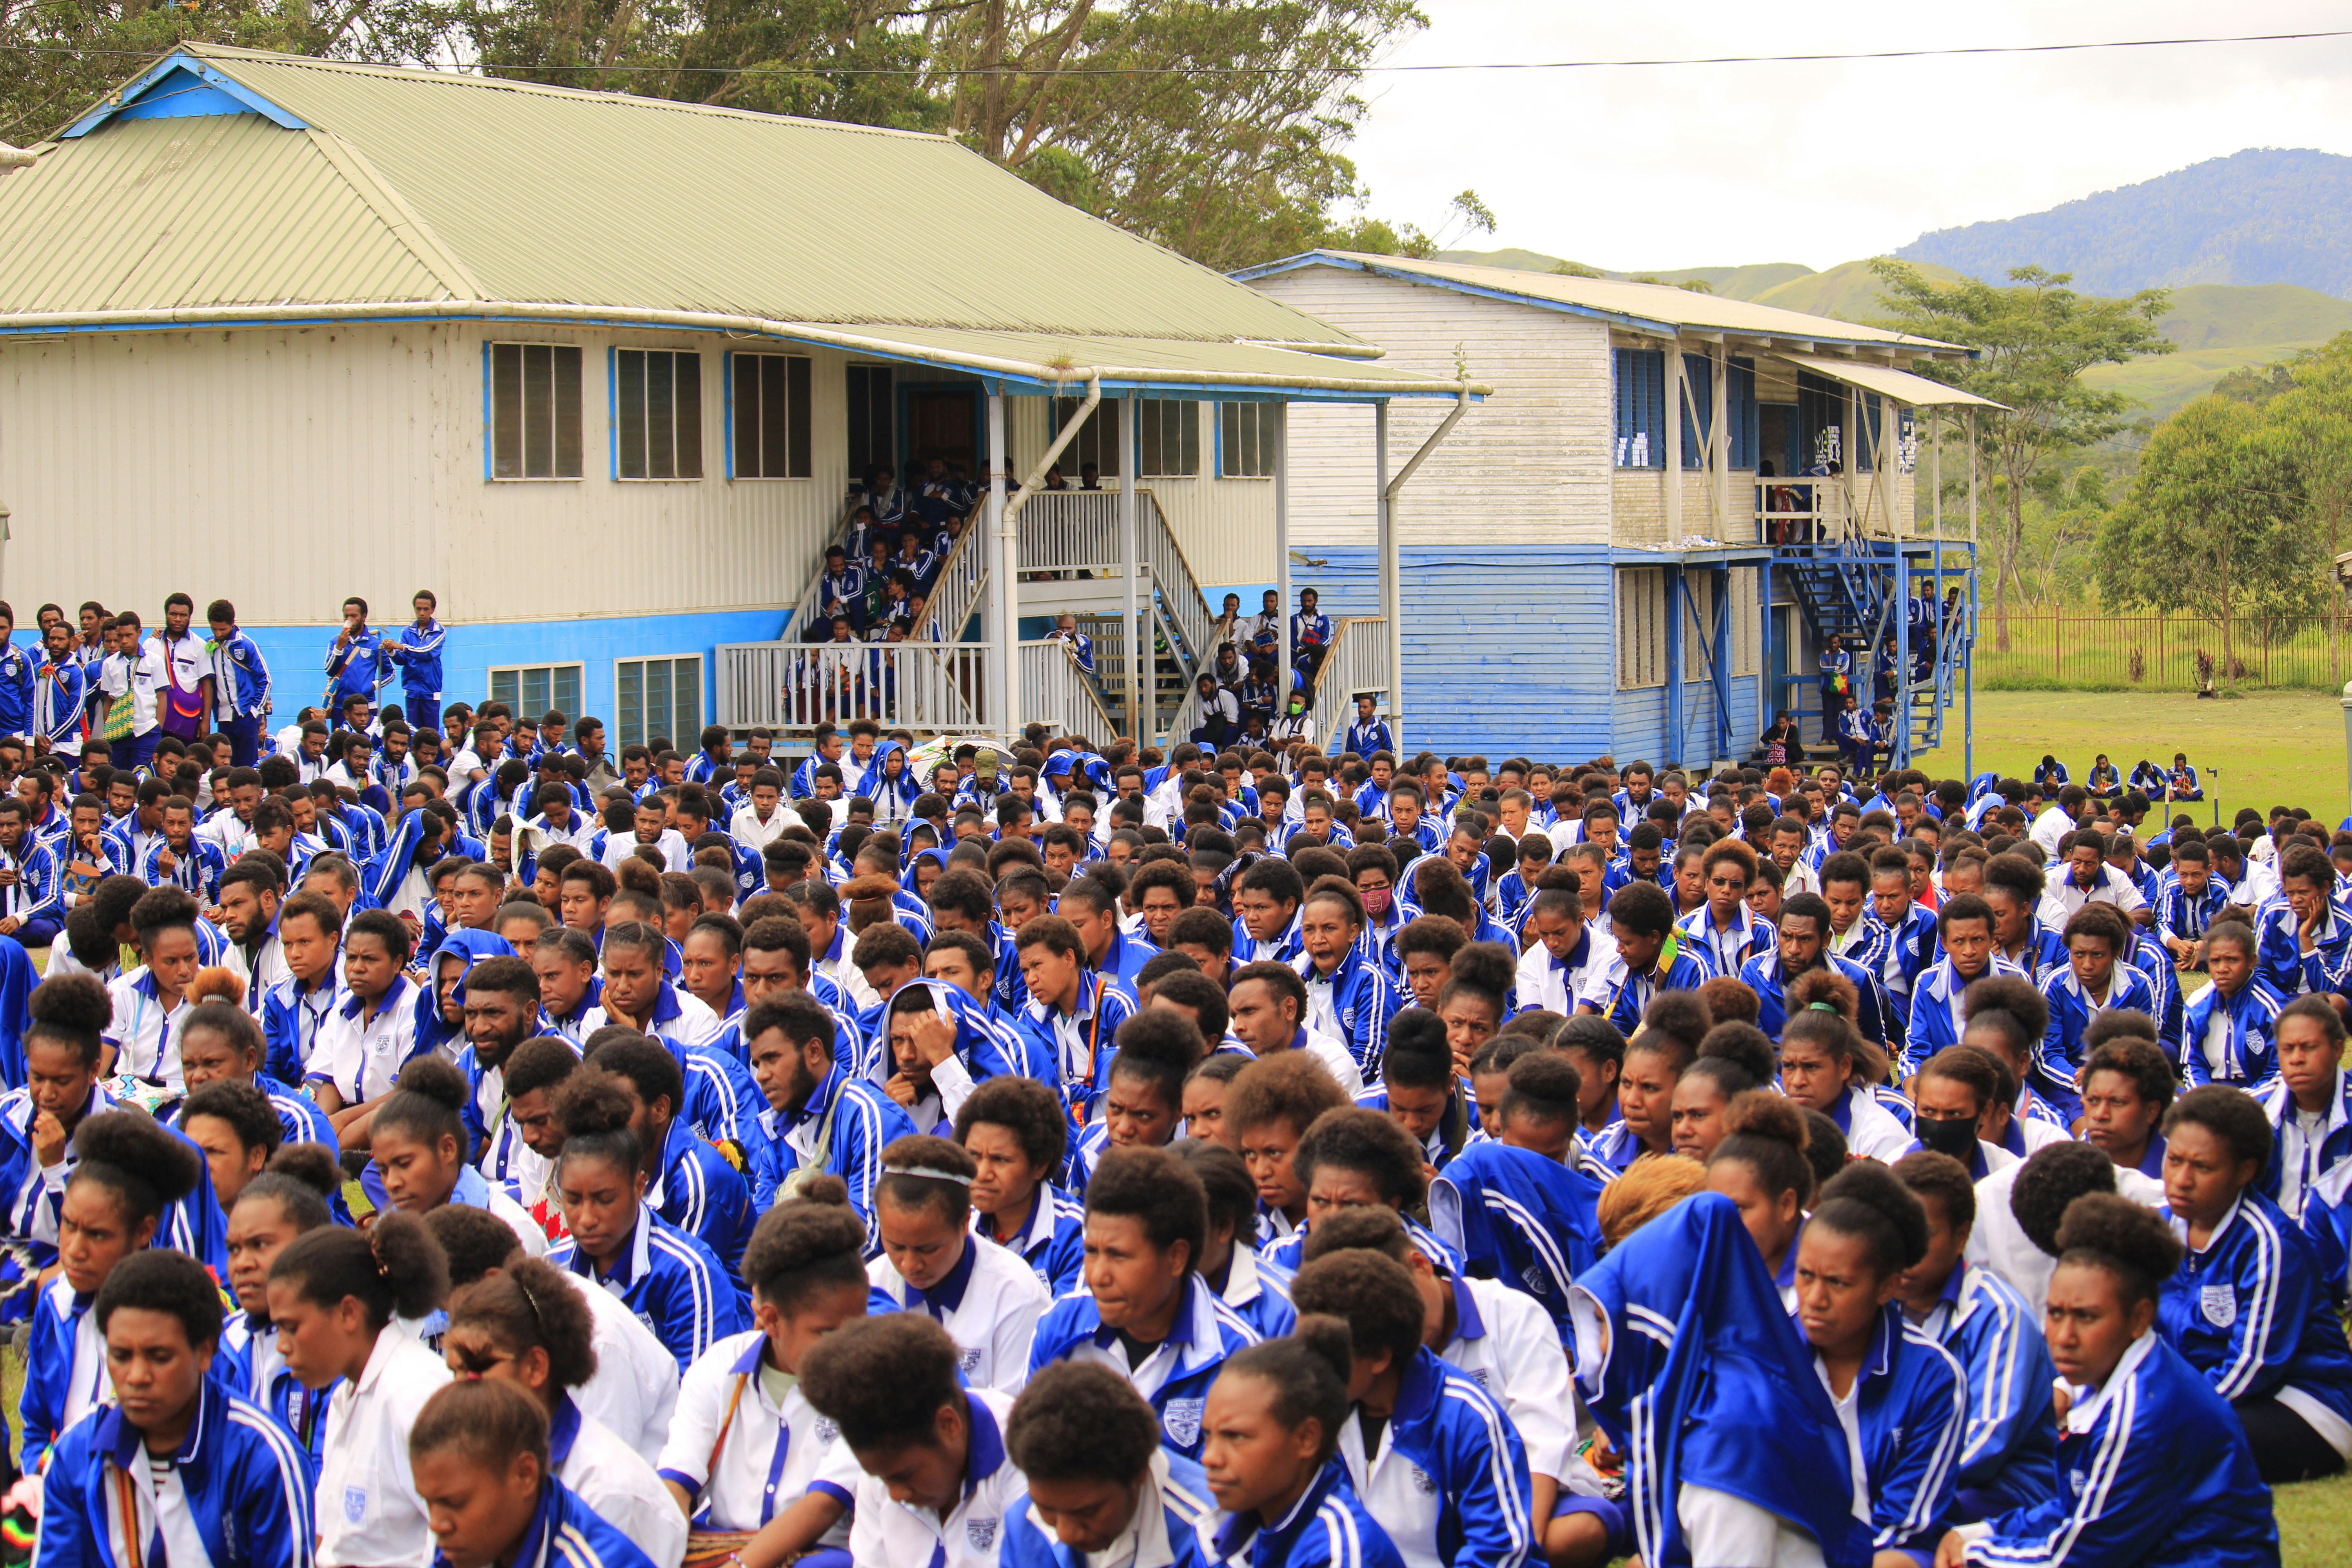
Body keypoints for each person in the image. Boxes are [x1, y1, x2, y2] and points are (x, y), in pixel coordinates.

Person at [1935, 1194, 2278, 1567]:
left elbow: (2073, 1559)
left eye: (2086, 1317)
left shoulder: (2138, 1419)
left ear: (2139, 1318)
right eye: (2056, 1313)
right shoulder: (2117, 1374)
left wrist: (1971, 1554)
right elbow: (2076, 1507)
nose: (2064, 1336)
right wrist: (1982, 1532)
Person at [34, 1248, 319, 1568]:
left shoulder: (263, 1458)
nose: (137, 1377)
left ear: (205, 1352)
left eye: (159, 1357)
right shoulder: (77, 1453)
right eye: (121, 1356)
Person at [657, 1178, 869, 1567]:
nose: (848, 1344)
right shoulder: (719, 1367)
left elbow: (824, 1504)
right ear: (770, 1319)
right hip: (721, 1547)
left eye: (857, 1326)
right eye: (827, 1332)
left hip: (818, 1556)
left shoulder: (870, 1385)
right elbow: (675, 1483)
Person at [2156, 1083, 2352, 1482]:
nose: (2182, 1178)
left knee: (2159, 1443)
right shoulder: (2155, 1230)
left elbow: (2252, 1366)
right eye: (2174, 1160)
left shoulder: (2270, 1244)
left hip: (2302, 1404)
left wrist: (2157, 1409)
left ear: (2245, 1170)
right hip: (2208, 1393)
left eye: (2203, 1167)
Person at [1285, 1253, 1531, 1568]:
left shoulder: (1466, 1419)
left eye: (1323, 1351)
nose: (1307, 1366)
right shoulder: (1312, 1414)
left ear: (1378, 1357)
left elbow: (1502, 1552)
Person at [439, 1256, 688, 1568]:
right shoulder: (473, 1460)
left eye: (480, 1367)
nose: (463, 1388)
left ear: (535, 1367)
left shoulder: (608, 1491)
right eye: (455, 1372)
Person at [1025, 1146, 1259, 1459]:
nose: (1098, 1275)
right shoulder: (1059, 1328)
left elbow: (1227, 1497)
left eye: (1119, 1256)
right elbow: (1028, 1461)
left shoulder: (1235, 1357)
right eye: (1092, 1252)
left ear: (1176, 1257)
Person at [1790, 1164, 1968, 1563]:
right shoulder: (1769, 1352)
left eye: (1838, 1282)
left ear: (1887, 1286)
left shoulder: (1933, 1376)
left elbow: (1904, 1524)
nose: (1815, 1298)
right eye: (1805, 1275)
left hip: (1880, 1547)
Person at [21, 1111, 210, 1472]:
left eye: (97, 1235)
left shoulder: (180, 1317)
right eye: (69, 1226)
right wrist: (43, 1483)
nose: (74, 1249)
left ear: (143, 1232)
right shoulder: (55, 1302)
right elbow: (37, 1426)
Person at [265, 1214, 453, 1568]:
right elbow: (329, 1540)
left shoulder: (417, 1396)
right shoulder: (344, 1396)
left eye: (292, 1328)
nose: (283, 1347)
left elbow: (465, 1547)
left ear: (348, 1313)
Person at [1890, 1152, 2059, 1523]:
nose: (1905, 1249)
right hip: (1901, 1481)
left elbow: (1987, 1443)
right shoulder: (1878, 1302)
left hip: (1998, 1493)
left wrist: (1895, 1484)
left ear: (1962, 1235)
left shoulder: (1998, 1313)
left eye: (1923, 1234)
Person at [545, 1069, 747, 1374]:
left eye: (604, 1199)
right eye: (573, 1200)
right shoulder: (552, 1270)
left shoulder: (688, 1273)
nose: (586, 1219)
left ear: (640, 1186)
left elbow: (697, 1400)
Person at [799, 1312, 1031, 1568]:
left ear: (948, 1425)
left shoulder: (1025, 1455)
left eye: (905, 1475)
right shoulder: (882, 1474)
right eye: (883, 1479)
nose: (896, 1494)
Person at [1195, 1321, 1406, 1568]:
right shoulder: (1215, 1533)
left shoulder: (1343, 1554)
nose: (1209, 1458)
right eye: (1208, 1436)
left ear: (1307, 1438)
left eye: (1236, 1437)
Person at [864, 1134, 1049, 1396]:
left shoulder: (1016, 1295)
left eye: (928, 1249)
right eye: (895, 1246)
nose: (910, 1265)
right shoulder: (872, 1285)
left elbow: (1013, 1418)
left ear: (964, 1224)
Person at [405, 1379, 659, 1568]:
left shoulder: (595, 1560)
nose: (437, 1524)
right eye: (429, 1503)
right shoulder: (467, 1549)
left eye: (455, 1503)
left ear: (525, 1476)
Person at [1001, 1360, 1220, 1568]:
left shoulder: (1214, 1532)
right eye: (1047, 1509)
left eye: (1089, 1512)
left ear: (1140, 1472)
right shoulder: (1022, 1524)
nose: (1066, 1534)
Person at [386, 590, 447, 738]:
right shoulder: (407, 632)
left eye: (426, 609)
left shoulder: (439, 632)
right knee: (413, 734)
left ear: (433, 610)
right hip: (412, 690)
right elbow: (402, 660)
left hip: (430, 691)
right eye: (418, 609)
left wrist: (401, 647)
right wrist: (391, 652)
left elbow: (426, 652)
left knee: (431, 735)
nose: (422, 613)